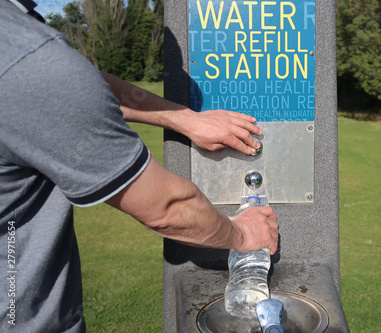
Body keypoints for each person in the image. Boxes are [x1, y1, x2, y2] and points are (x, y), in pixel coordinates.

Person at [0, 0, 279, 332]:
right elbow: (165, 207)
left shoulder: (17, 41)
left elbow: (75, 86)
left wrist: (184, 119)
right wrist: (242, 233)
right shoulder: (27, 57)